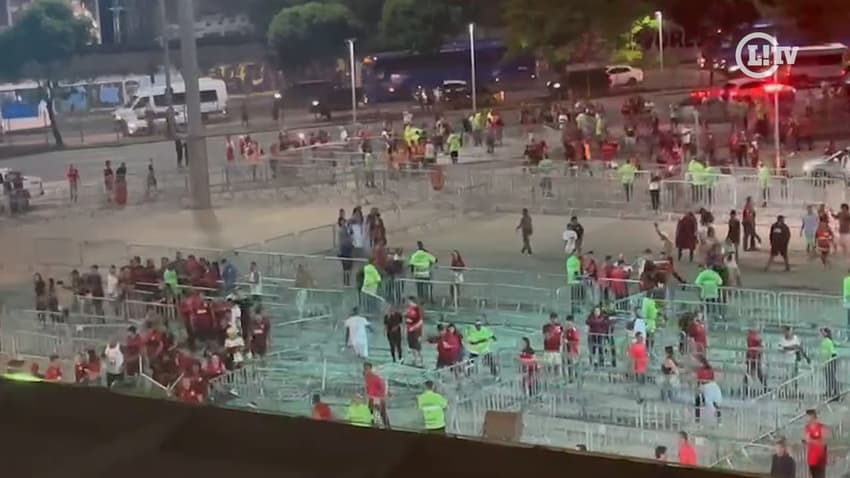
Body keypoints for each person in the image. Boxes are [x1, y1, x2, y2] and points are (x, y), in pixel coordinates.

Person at [363, 362, 390, 428]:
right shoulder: (367, 376)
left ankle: (386, 427)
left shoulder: (376, 377)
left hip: (378, 399)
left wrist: (382, 397)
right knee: (373, 415)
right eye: (365, 369)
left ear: (370, 369)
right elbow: (367, 387)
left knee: (381, 415)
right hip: (371, 398)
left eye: (367, 369)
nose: (366, 370)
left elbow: (383, 386)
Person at [804, 409, 828, 478]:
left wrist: (811, 440)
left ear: (812, 417)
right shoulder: (807, 428)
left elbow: (823, 443)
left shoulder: (821, 427)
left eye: (807, 417)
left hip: (820, 458)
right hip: (811, 458)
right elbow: (807, 441)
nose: (806, 419)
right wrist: (805, 441)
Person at [405, 297, 424, 367]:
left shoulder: (418, 309)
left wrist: (414, 327)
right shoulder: (409, 309)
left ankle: (420, 361)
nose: (408, 303)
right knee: (412, 347)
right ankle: (415, 360)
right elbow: (408, 318)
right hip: (409, 331)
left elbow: (421, 321)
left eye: (409, 301)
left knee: (417, 347)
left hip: (416, 332)